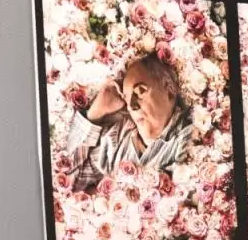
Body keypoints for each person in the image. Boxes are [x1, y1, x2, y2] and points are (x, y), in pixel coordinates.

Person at [68, 51, 194, 192]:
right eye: (127, 99)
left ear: (169, 90)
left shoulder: (191, 138)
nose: (132, 107)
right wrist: (96, 112)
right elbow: (71, 180)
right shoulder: (117, 138)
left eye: (140, 91)